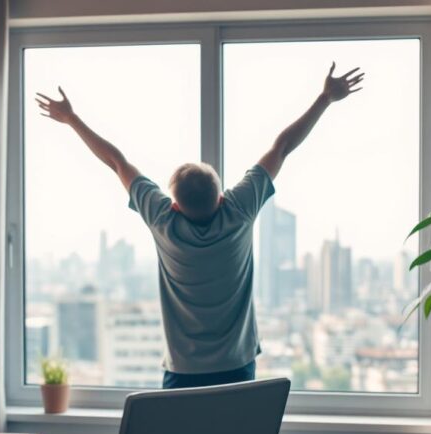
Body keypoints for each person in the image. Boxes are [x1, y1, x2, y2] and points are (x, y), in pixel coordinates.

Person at [37, 63, 364, 390]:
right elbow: (282, 147)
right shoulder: (238, 211)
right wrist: (324, 98)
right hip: (237, 365)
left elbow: (117, 162)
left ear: (176, 204)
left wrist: (71, 119)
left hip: (183, 369)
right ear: (221, 198)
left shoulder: (163, 220)